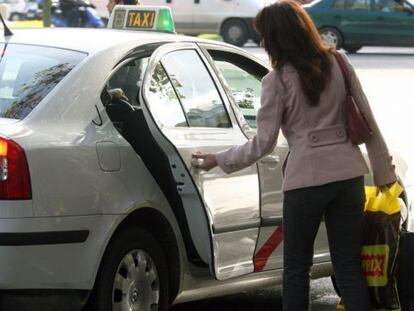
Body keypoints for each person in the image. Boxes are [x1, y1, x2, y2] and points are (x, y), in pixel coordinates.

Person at [192, 1, 397, 310]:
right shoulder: (339, 63)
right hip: (348, 177)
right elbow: (368, 122)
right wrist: (385, 174)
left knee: (297, 269)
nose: (261, 43)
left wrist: (218, 159)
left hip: (306, 183)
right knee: (348, 266)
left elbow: (263, 144)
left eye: (264, 36)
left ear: (278, 38)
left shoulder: (276, 82)